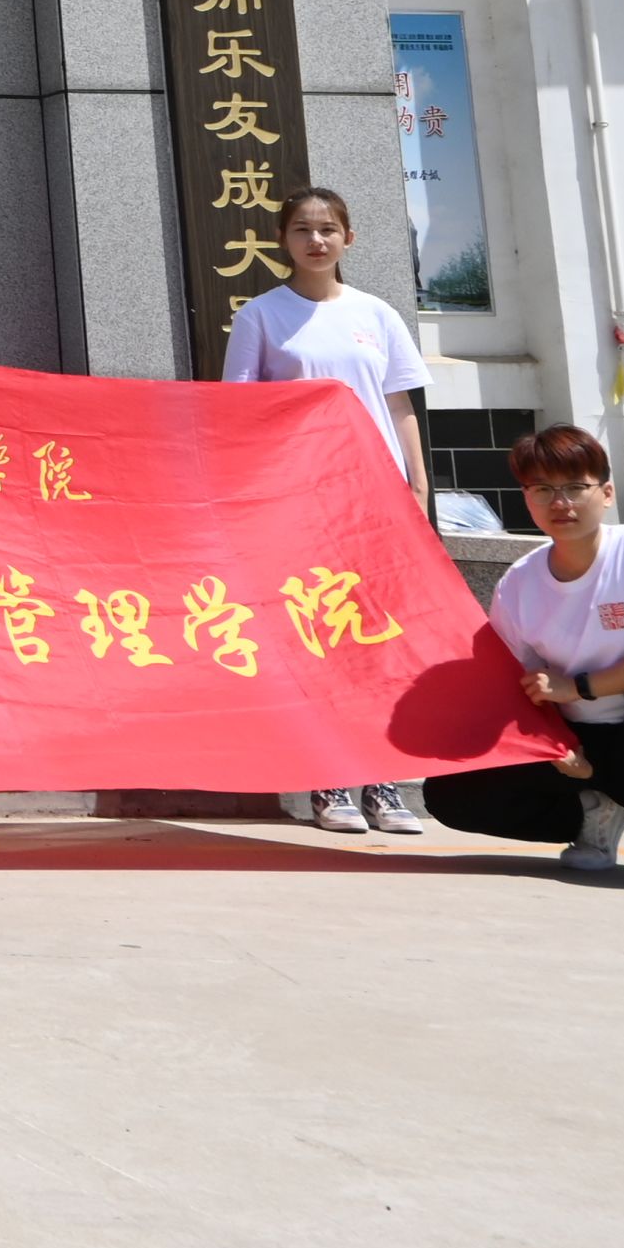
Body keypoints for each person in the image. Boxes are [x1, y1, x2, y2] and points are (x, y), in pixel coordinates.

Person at [424, 427, 624, 899]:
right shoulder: (519, 583)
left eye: (575, 487)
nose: (561, 503)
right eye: (543, 489)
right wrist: (554, 745)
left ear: (606, 493)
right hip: (579, 749)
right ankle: (592, 815)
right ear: (526, 498)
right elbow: (517, 685)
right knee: (448, 793)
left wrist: (578, 687)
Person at [221, 183, 438, 837]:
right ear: (282, 240)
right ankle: (330, 779)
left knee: (378, 638)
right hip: (301, 500)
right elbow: (240, 413)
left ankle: (383, 780)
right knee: (318, 635)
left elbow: (399, 405)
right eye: (302, 230)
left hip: (374, 498)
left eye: (327, 229)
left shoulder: (378, 314)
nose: (315, 241)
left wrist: (418, 488)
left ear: (348, 238)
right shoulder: (262, 317)